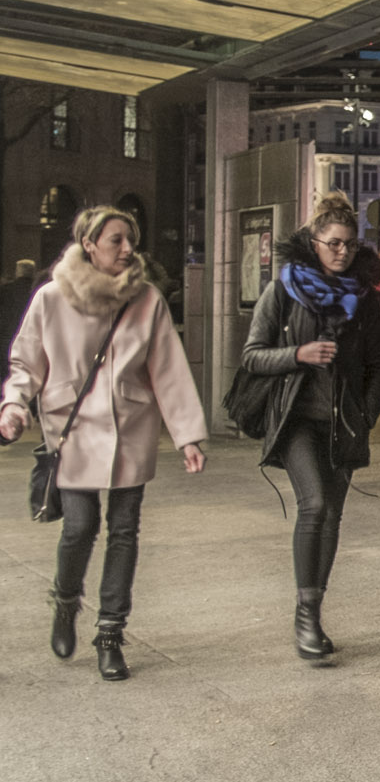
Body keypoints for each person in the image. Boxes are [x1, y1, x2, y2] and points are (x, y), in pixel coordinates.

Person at [1, 207, 208, 681]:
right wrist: (14, 404)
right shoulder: (51, 297)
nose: (128, 248)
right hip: (71, 430)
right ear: (89, 244)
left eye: (131, 240)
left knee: (124, 529)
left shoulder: (148, 299)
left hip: (129, 427)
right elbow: (26, 362)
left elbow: (168, 370)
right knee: (78, 526)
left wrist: (187, 436)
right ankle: (66, 599)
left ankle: (110, 634)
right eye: (117, 240)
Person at [241, 192, 380, 662]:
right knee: (316, 505)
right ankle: (305, 617)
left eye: (347, 244)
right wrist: (297, 355)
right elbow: (251, 356)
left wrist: (365, 413)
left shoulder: (364, 299)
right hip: (297, 419)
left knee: (333, 517)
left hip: (344, 423)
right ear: (313, 241)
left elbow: (379, 366)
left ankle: (315, 613)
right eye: (332, 243)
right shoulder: (284, 289)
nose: (340, 252)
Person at [1, 258, 42, 361]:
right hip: (33, 336)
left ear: (17, 272)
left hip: (8, 334)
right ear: (33, 272)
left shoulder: (5, 290)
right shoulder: (39, 289)